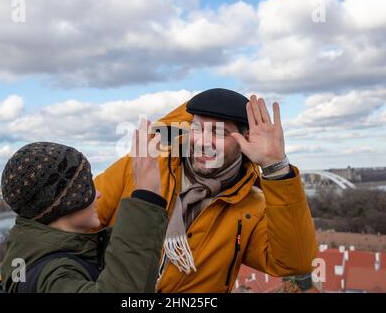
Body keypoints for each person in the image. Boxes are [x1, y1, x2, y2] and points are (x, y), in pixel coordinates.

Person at [93, 88, 318, 293]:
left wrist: (276, 168)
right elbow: (76, 223)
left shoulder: (251, 206)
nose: (203, 141)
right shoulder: (141, 166)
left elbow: (293, 261)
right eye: (197, 128)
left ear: (246, 139)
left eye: (219, 133)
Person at [0, 124, 168, 292]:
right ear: (68, 203)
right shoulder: (54, 277)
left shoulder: (27, 250)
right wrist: (148, 195)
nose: (99, 194)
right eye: (88, 187)